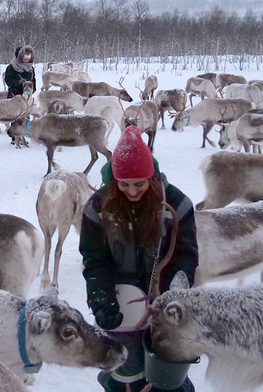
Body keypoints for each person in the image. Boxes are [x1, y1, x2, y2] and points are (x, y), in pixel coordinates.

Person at [79, 126, 198, 392]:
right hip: (122, 302)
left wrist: (175, 294)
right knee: (123, 375)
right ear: (114, 180)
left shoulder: (177, 206)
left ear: (152, 178)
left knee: (168, 379)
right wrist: (101, 298)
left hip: (164, 303)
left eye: (140, 184)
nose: (132, 191)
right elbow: (95, 259)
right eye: (124, 184)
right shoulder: (98, 208)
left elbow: (185, 257)